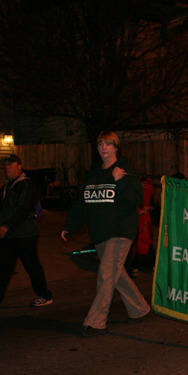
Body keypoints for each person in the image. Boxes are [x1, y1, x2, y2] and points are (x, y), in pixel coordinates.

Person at [61, 131, 151, 337]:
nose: (104, 148)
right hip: (101, 233)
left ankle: (96, 321)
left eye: (108, 145)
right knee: (115, 275)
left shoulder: (125, 170)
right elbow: (83, 204)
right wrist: (69, 225)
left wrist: (120, 180)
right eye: (101, 144)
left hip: (121, 231)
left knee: (106, 274)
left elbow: (137, 197)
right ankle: (139, 309)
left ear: (115, 148)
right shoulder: (94, 174)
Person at [0, 154, 52, 313]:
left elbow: (23, 209)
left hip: (24, 234)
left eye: (10, 164)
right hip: (9, 235)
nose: (6, 167)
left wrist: (6, 225)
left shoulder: (26, 185)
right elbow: (4, 210)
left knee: (31, 265)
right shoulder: (7, 186)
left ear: (20, 166)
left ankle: (44, 295)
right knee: (3, 268)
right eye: (5, 165)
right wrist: (1, 226)